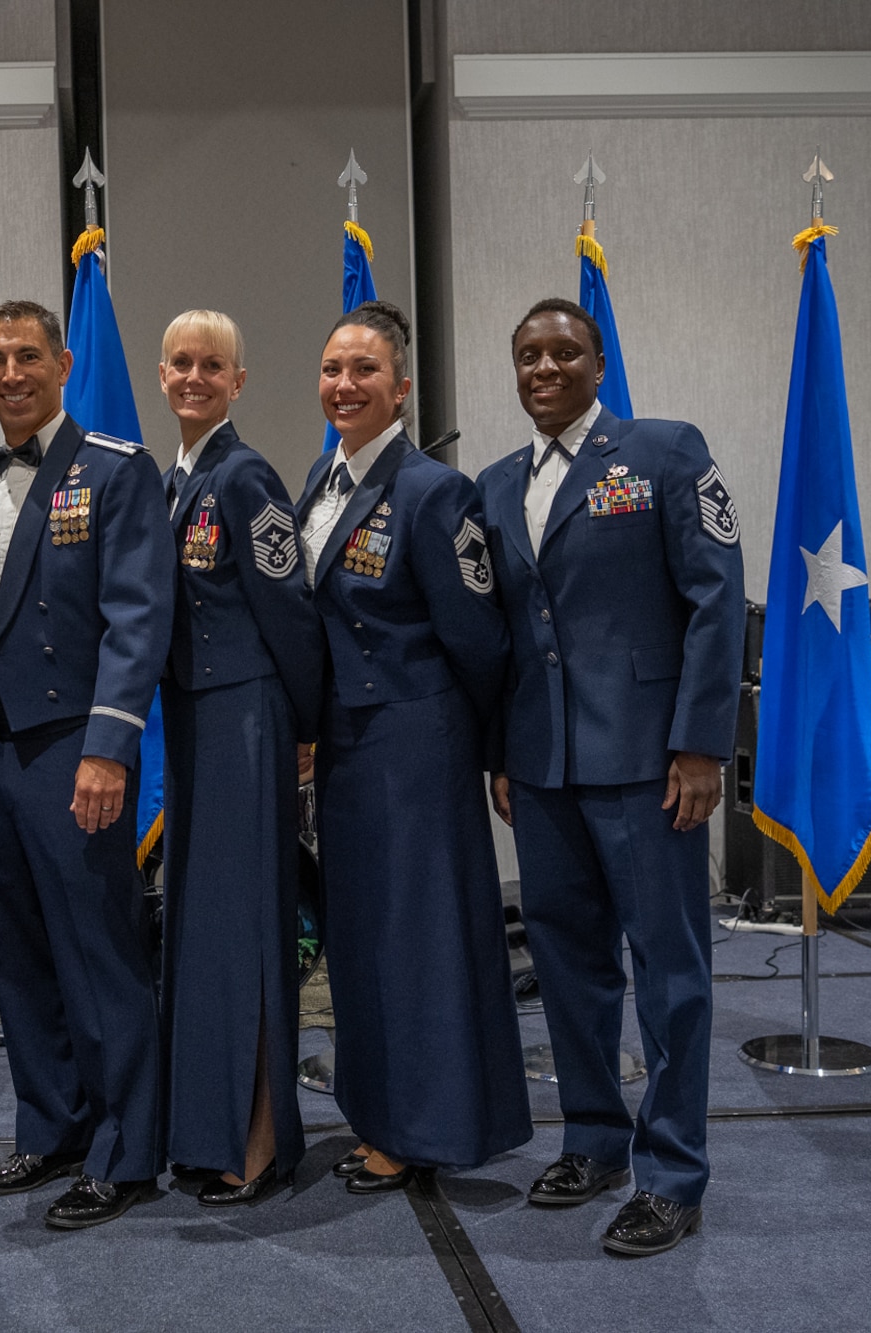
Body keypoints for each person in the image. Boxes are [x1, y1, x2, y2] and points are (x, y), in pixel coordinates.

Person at [476, 297, 745, 1258]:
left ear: (598, 360)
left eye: (563, 352)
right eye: (527, 356)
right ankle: (592, 1138)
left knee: (669, 972)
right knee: (566, 964)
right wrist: (501, 751)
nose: (543, 368)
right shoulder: (497, 482)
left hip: (649, 760)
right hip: (542, 764)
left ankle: (672, 1174)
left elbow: (717, 599)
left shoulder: (666, 451)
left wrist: (703, 744)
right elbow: (504, 634)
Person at [0, 299, 174, 1229]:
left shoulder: (116, 472)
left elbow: (137, 619)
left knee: (99, 951)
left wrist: (111, 746)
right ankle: (51, 1124)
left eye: (27, 355)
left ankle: (124, 1148)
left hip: (78, 747)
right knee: (23, 954)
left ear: (63, 362)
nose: (10, 373)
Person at [295, 300, 532, 1193]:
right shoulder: (320, 483)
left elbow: (479, 639)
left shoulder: (435, 492)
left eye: (363, 371)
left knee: (422, 942)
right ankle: (380, 1113)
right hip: (351, 750)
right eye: (331, 369)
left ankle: (427, 1127)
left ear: (401, 387)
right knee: (363, 941)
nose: (344, 384)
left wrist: (487, 748)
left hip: (416, 747)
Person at [152, 310, 320, 1207]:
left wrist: (302, 723)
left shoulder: (245, 474)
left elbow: (289, 607)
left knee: (247, 929)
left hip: (246, 715)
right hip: (191, 718)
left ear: (239, 381)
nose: (193, 377)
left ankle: (259, 1141)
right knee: (202, 933)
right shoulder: (179, 478)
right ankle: (208, 1124)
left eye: (212, 364)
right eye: (180, 362)